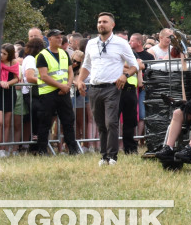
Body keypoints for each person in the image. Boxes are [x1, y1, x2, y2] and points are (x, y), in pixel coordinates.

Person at [75, 13, 138, 165]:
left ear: (112, 25)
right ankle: (103, 156)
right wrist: (80, 80)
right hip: (95, 88)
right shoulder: (91, 43)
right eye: (99, 22)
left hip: (112, 87)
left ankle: (112, 156)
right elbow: (87, 65)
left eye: (104, 22)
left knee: (111, 122)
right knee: (101, 124)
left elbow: (134, 64)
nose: (101, 24)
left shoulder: (121, 43)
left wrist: (125, 75)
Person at [33, 29, 80, 155]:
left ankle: (73, 149)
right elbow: (44, 76)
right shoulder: (42, 55)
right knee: (45, 122)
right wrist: (62, 86)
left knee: (69, 121)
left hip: (63, 92)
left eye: (61, 37)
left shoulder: (64, 54)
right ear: (49, 39)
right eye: (57, 37)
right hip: (48, 93)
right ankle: (42, 151)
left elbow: (70, 72)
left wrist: (68, 85)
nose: (60, 39)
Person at [0, 43, 19, 156]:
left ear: (9, 55)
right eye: (0, 52)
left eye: (4, 54)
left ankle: (3, 149)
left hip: (9, 93)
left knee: (7, 123)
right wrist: (0, 82)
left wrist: (7, 83)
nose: (1, 55)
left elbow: (17, 78)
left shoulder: (13, 63)